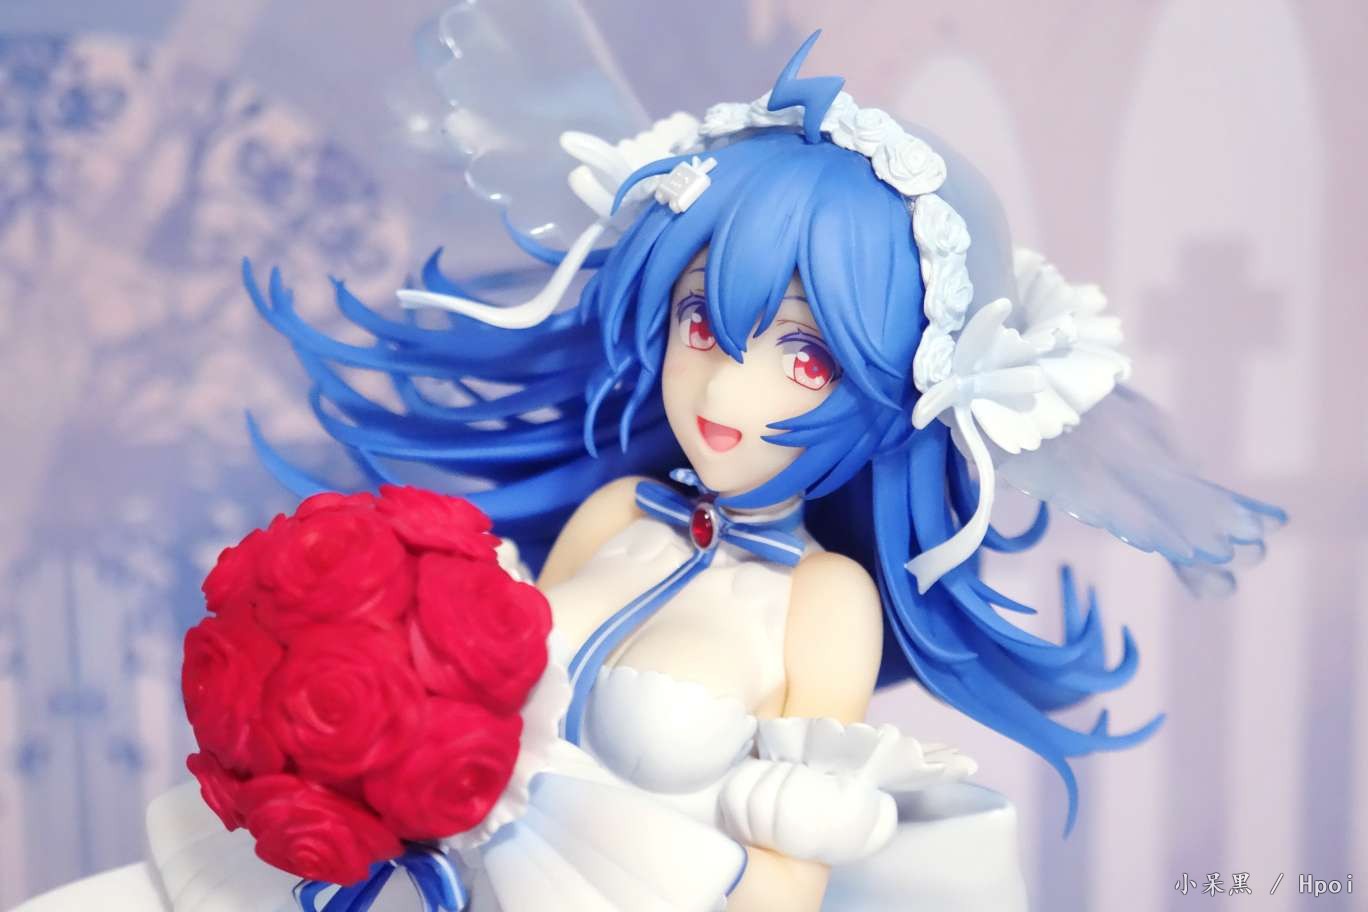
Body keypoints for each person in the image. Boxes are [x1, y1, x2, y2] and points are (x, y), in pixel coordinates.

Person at [12, 27, 1281, 912]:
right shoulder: (621, 508)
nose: (726, 393)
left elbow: (786, 877)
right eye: (703, 325)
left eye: (806, 358)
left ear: (895, 389)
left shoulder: (822, 602)